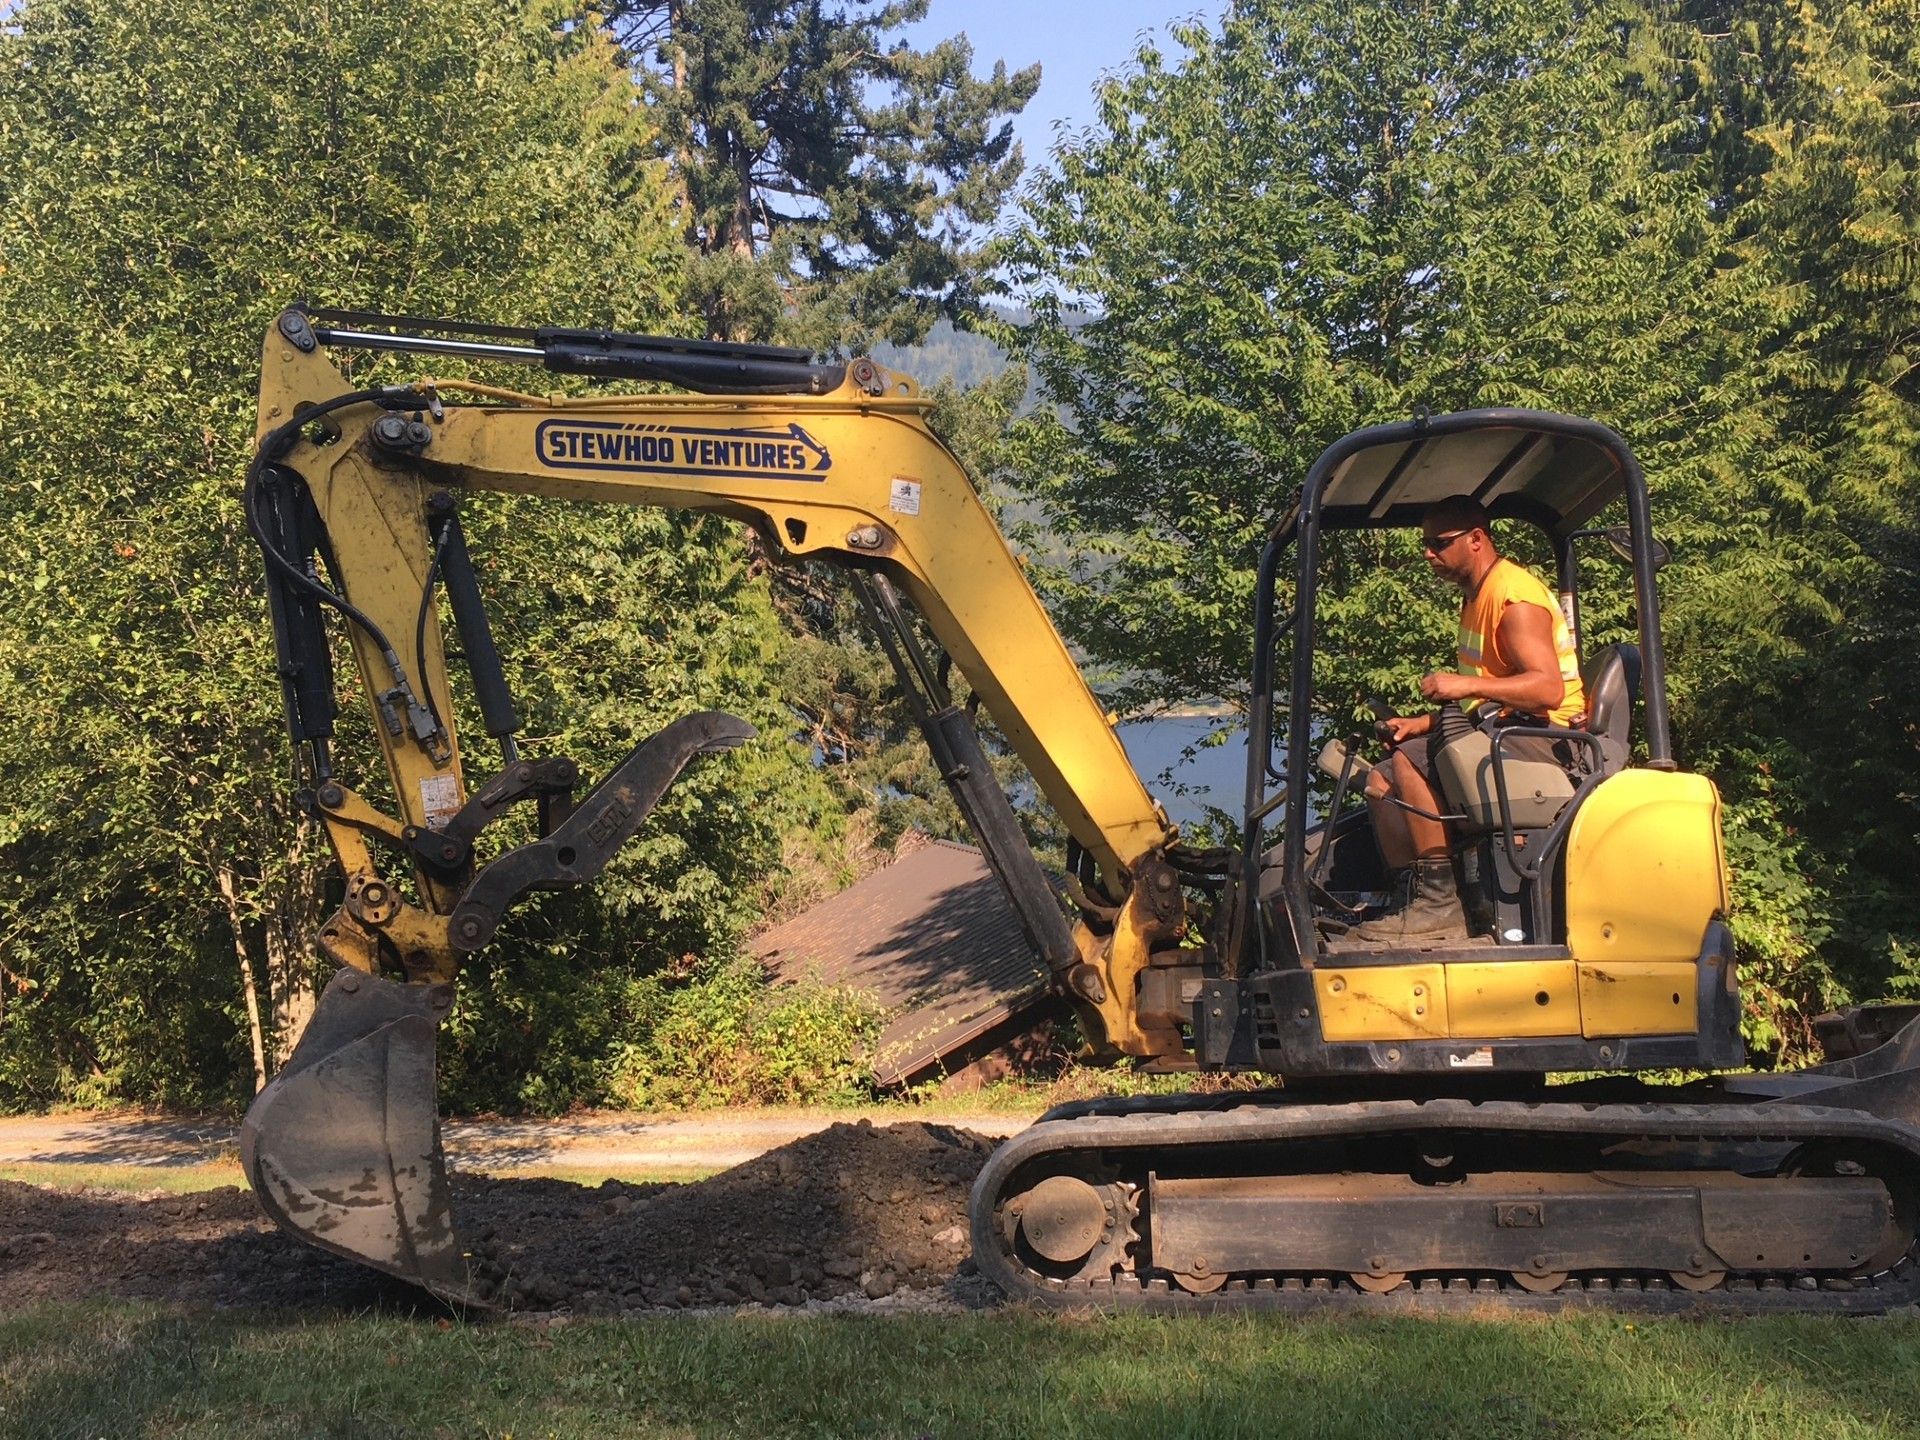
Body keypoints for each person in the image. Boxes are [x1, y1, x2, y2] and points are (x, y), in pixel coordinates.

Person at [1347, 494, 1585, 945]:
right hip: (1508, 727)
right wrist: (1422, 723)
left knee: (1411, 764)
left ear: (1476, 539)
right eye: (1427, 544)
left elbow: (1547, 690)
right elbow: (1492, 695)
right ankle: (1412, 900)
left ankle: (1441, 907)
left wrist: (1464, 684)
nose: (1428, 554)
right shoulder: (1476, 597)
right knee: (1379, 782)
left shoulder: (1513, 597)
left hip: (1548, 738)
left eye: (1439, 543)